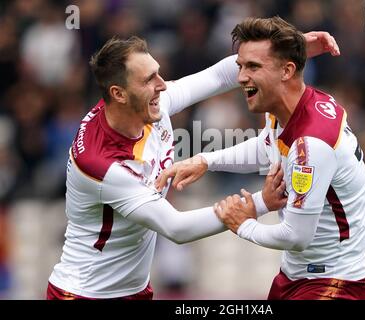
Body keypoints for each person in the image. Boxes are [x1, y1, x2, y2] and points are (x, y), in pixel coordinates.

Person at [47, 32, 339, 300]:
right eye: (149, 79)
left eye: (158, 74)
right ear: (118, 93)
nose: (162, 85)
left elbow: (219, 76)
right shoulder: (102, 164)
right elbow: (177, 228)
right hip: (84, 293)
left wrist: (291, 49)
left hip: (132, 291)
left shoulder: (149, 105)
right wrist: (259, 203)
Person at [156, 17, 365, 300]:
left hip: (335, 282)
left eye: (253, 67)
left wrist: (243, 224)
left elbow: (296, 236)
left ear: (287, 71)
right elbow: (266, 147)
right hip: (295, 276)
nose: (241, 77)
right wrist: (206, 161)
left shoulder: (311, 144)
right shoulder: (292, 107)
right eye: (241, 66)